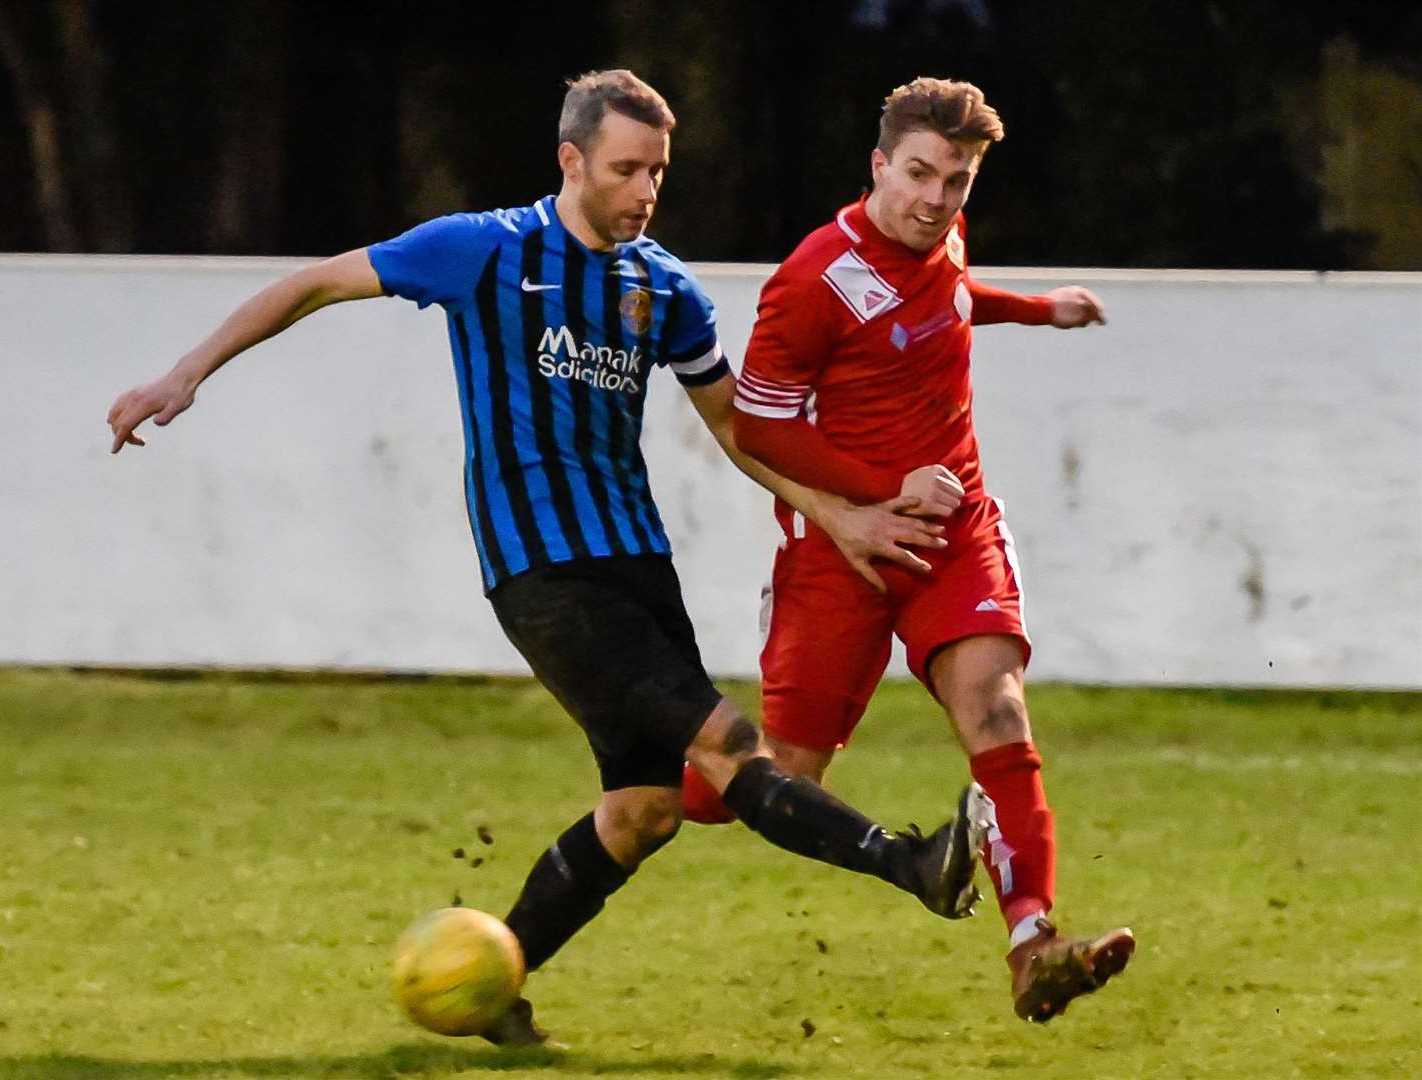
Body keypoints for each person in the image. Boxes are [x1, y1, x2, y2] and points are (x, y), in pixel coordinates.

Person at [106, 69, 991, 1045]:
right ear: (571, 162)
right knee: (729, 748)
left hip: (638, 571)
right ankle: (913, 862)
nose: (644, 191)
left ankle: (488, 988)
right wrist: (182, 376)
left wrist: (841, 513)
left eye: (657, 171)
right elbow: (314, 282)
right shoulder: (482, 251)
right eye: (624, 170)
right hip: (543, 575)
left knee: (645, 813)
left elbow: (740, 432)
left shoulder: (664, 288)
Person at [679, 76, 1135, 1024]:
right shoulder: (812, 278)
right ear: (878, 165)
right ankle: (644, 781)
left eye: (956, 181)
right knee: (775, 779)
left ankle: (1032, 943)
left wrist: (1036, 309)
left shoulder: (943, 236)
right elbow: (758, 424)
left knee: (997, 710)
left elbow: (952, 296)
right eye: (919, 175)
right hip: (835, 552)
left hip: (950, 533)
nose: (935, 199)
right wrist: (879, 493)